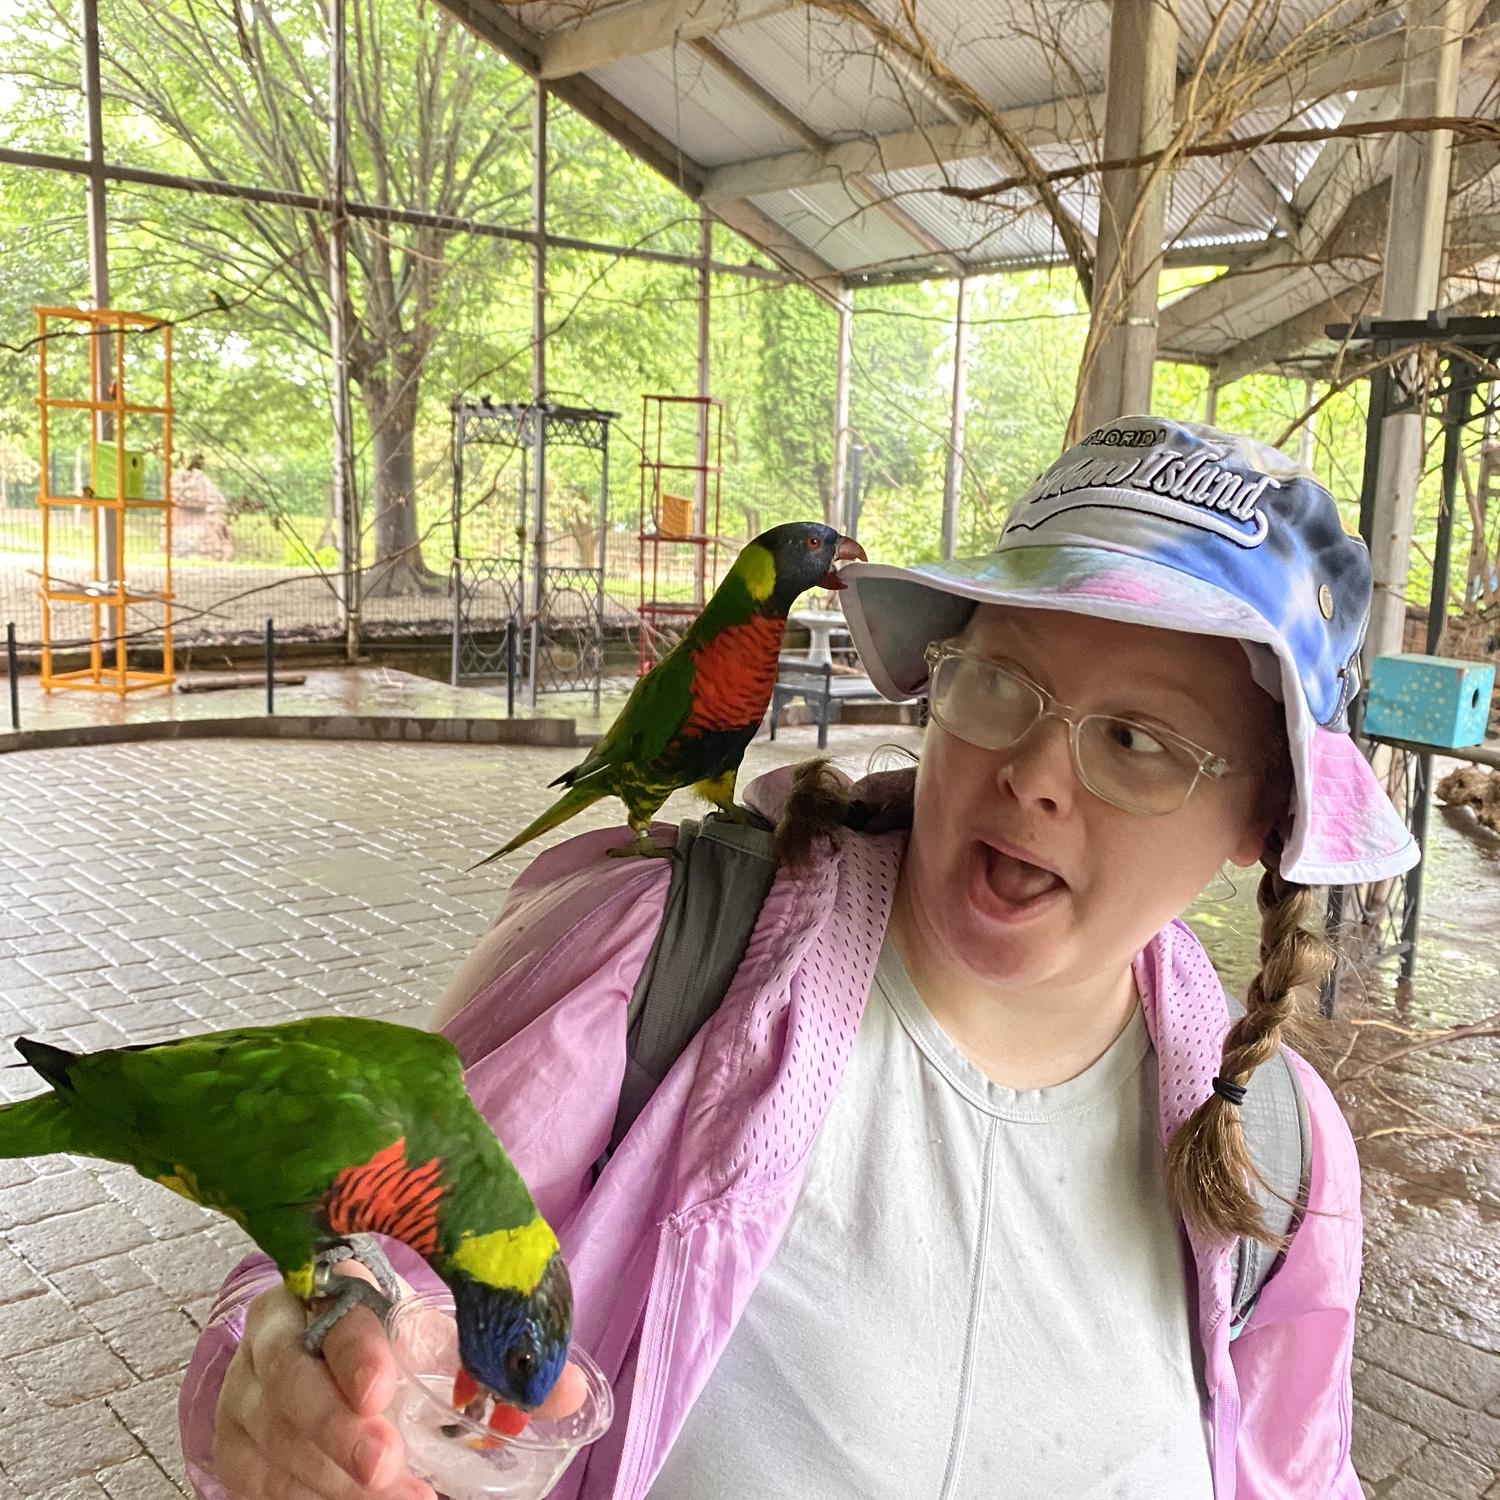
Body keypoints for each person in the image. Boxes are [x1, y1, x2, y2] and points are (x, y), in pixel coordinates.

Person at [181, 416, 1418, 1499]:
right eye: (998, 684)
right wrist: (292, 1375)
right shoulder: (656, 965)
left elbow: (1298, 1472)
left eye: (1139, 740)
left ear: (1264, 823)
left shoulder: (1285, 1161)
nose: (1032, 775)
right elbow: (343, 1259)